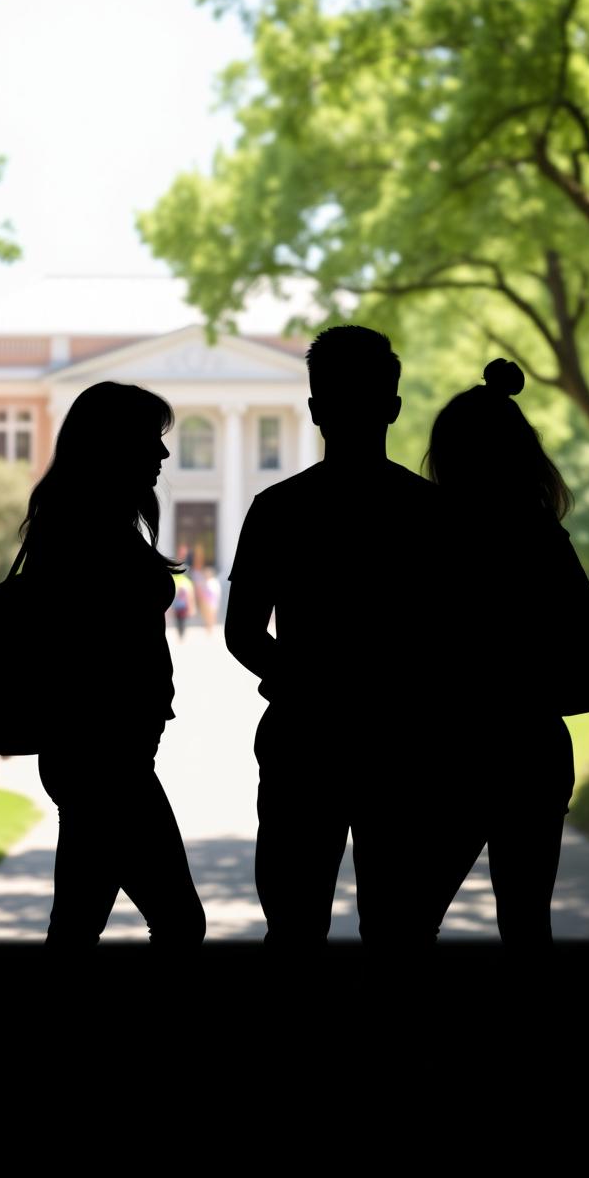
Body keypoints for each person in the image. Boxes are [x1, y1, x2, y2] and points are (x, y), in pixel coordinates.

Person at [225, 325, 445, 949]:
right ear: (394, 408)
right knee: (401, 929)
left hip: (304, 735)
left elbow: (242, 633)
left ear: (316, 409)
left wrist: (300, 678)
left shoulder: (277, 509)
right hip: (403, 742)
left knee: (293, 926)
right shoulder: (430, 512)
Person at [424, 358, 589, 948]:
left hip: (447, 751)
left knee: (404, 920)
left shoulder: (428, 534)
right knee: (528, 923)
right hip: (532, 750)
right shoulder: (540, 536)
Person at [18, 380, 206, 949]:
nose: (164, 455)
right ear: (112, 445)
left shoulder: (83, 524)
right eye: (151, 439)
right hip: (105, 760)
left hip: (99, 758)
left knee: (76, 924)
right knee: (178, 921)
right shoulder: (87, 534)